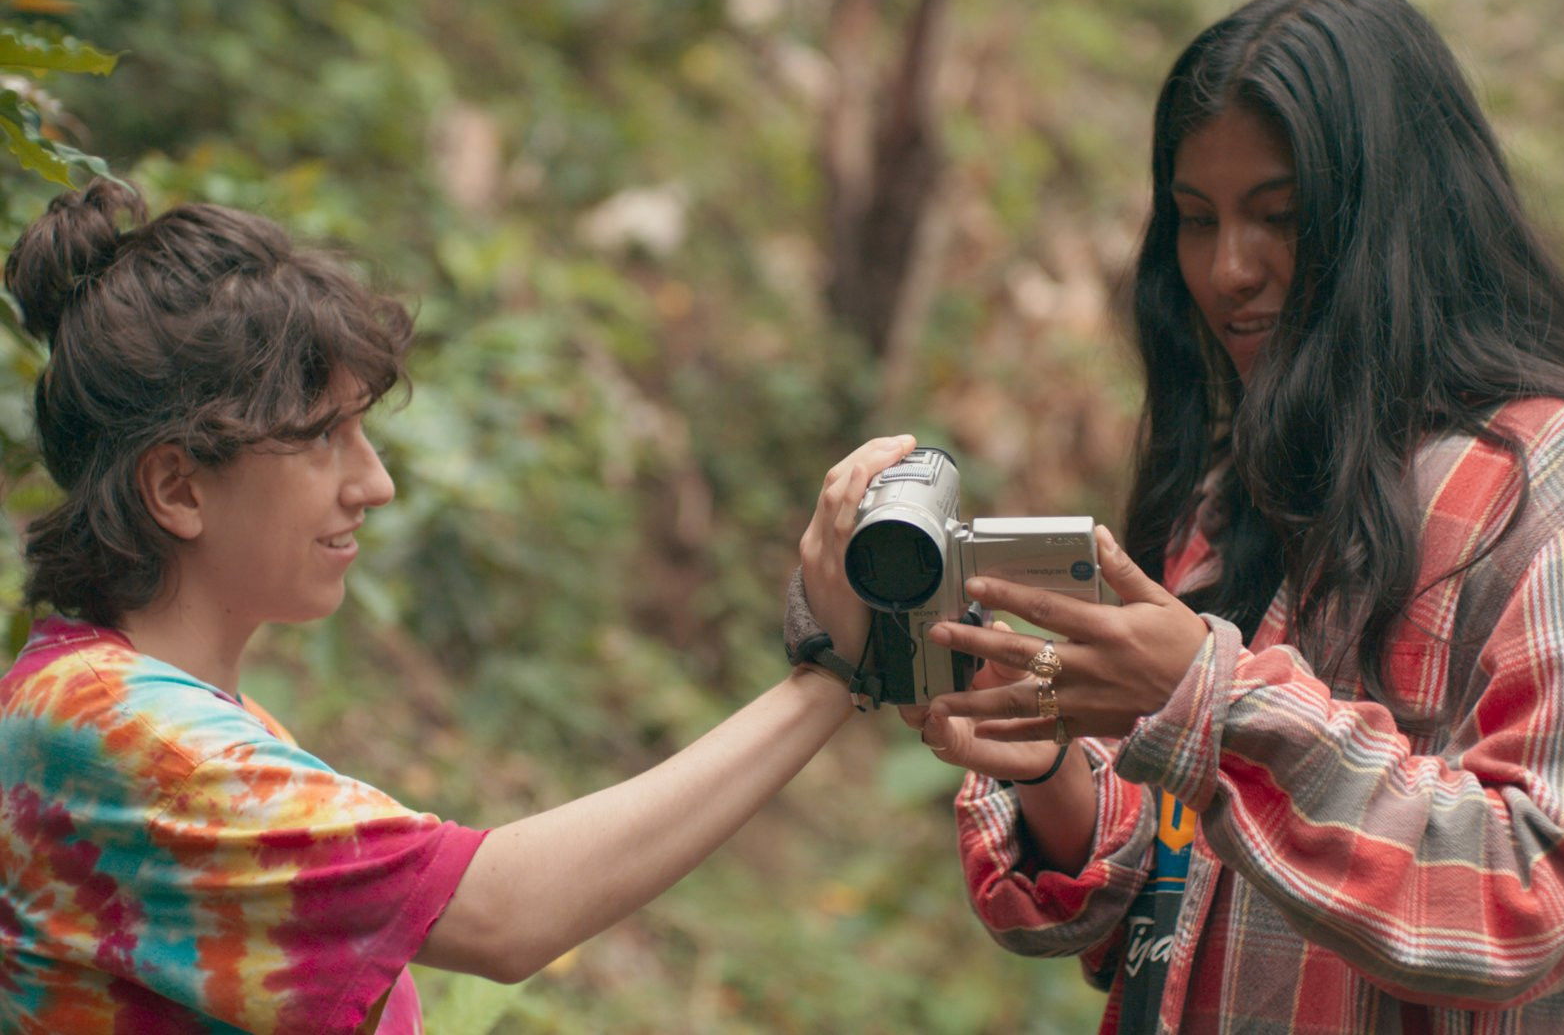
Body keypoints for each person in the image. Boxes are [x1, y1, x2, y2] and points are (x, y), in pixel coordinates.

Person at [846, 0, 1564, 1033]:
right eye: (1195, 220)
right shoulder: (1236, 490)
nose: (1228, 269)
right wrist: (1046, 753)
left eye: (1280, 217)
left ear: (1397, 213)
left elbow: (1537, 889)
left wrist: (1206, 701)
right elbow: (1147, 909)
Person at [0, 179, 913, 1032]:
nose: (377, 483)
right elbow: (503, 915)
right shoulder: (123, 736)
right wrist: (828, 677)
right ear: (178, 489)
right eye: (324, 437)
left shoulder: (141, 715)